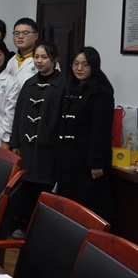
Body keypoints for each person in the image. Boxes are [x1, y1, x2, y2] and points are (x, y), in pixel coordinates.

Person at [9, 41, 65, 238]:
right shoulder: (29, 83)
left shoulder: (63, 85)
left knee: (43, 187)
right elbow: (18, 115)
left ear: (55, 59)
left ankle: (39, 229)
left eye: (44, 57)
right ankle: (20, 224)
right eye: (37, 57)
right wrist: (15, 142)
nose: (39, 61)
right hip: (26, 145)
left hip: (48, 147)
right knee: (24, 186)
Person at [57, 46, 115, 221]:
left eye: (85, 65)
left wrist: (96, 162)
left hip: (87, 162)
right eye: (75, 64)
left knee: (86, 207)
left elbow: (101, 129)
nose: (79, 68)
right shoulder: (72, 86)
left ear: (94, 66)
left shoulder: (101, 91)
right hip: (69, 157)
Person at [5, 18, 40, 86]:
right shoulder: (11, 61)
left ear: (36, 36)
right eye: (16, 33)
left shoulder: (45, 60)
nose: (20, 36)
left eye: (25, 33)